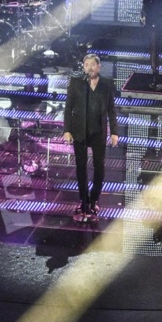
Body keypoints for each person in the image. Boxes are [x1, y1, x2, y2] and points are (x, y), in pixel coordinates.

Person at [61, 53, 121, 222]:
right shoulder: (76, 82)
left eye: (92, 65)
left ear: (99, 67)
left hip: (98, 131)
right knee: (80, 167)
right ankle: (83, 200)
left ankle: (94, 200)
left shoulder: (106, 84)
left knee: (98, 167)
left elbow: (111, 109)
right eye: (86, 65)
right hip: (79, 130)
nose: (89, 68)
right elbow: (68, 107)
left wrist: (114, 132)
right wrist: (67, 130)